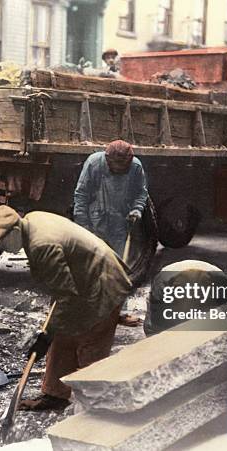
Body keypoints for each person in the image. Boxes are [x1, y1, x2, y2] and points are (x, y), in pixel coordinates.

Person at [0, 205, 133, 410]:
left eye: (1, 242)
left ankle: (97, 404)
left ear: (14, 231)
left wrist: (46, 334)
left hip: (104, 281)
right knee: (63, 337)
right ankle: (55, 395)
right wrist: (51, 332)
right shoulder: (32, 219)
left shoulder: (41, 245)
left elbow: (65, 296)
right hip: (83, 281)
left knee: (91, 341)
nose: (2, 249)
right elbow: (62, 290)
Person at [73, 139, 148, 326]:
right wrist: (83, 226)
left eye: (125, 166)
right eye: (117, 166)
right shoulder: (93, 163)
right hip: (95, 221)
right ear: (107, 159)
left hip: (120, 223)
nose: (121, 169)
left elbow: (141, 193)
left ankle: (117, 313)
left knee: (118, 270)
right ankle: (86, 312)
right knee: (90, 268)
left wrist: (137, 210)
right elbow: (81, 195)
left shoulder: (136, 167)